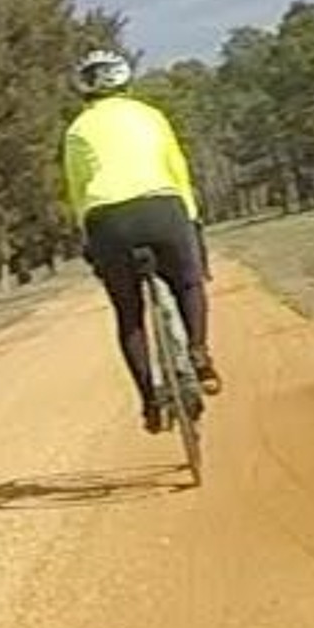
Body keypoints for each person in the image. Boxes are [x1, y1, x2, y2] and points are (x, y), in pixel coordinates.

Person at [60, 50, 222, 431]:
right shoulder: (151, 116)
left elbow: (78, 189)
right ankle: (198, 352)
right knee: (188, 284)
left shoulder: (77, 130)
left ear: (83, 90)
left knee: (129, 313)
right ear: (126, 82)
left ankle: (149, 400)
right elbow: (177, 169)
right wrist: (191, 221)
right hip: (162, 208)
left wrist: (88, 235)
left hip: (108, 220)